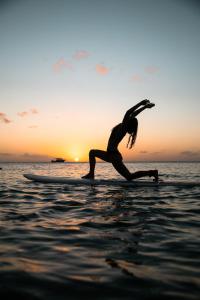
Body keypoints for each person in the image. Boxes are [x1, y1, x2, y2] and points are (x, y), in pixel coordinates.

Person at [82, 99, 159, 182]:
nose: (132, 132)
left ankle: (152, 172)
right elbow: (132, 114)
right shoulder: (122, 126)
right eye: (133, 129)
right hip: (110, 154)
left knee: (129, 177)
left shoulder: (123, 129)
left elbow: (128, 112)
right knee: (92, 152)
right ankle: (91, 174)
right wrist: (145, 107)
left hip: (113, 156)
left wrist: (141, 104)